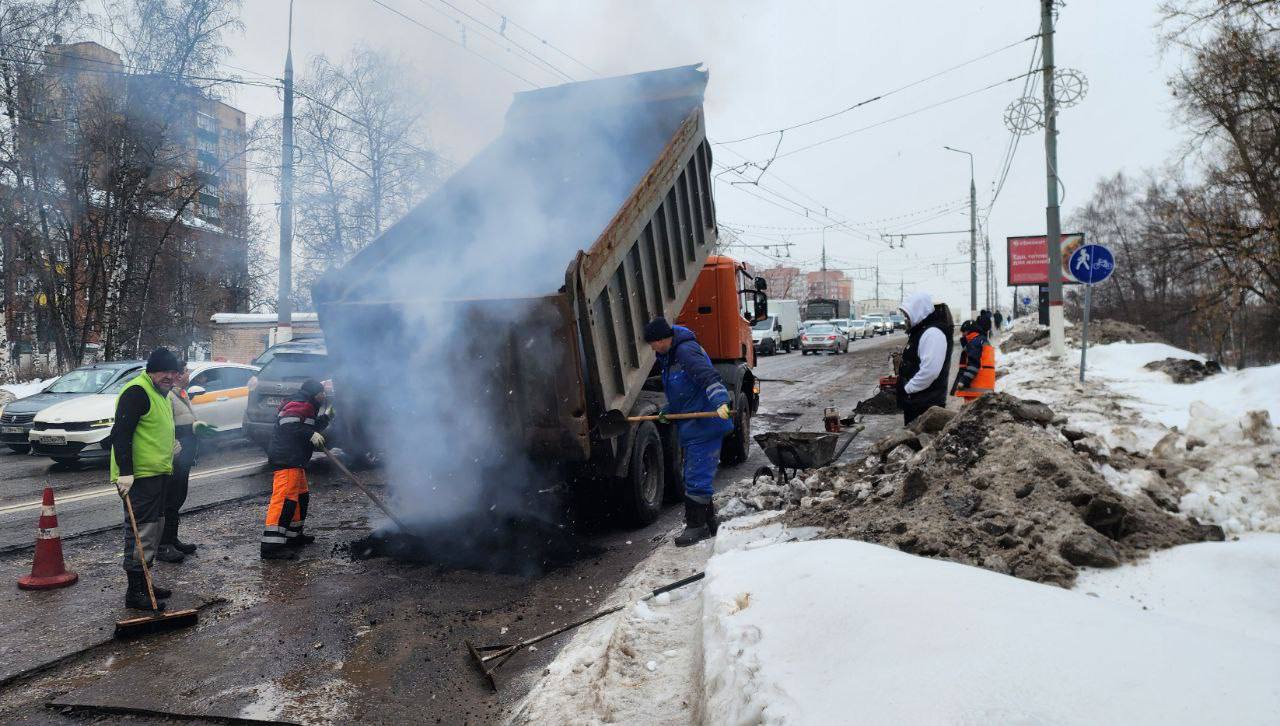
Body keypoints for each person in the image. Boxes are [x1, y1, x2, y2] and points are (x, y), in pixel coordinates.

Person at [644, 317, 733, 547]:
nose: (652, 348)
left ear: (662, 339)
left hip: (705, 423)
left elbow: (707, 376)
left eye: (653, 344)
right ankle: (709, 522)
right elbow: (684, 391)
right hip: (693, 423)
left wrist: (721, 401)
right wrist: (669, 410)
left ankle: (697, 526)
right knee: (696, 473)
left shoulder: (685, 351)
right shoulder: (669, 355)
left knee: (696, 475)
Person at [111, 348, 183, 611]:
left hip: (158, 473)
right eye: (164, 371)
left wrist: (170, 446)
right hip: (139, 478)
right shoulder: (137, 391)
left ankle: (145, 584)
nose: (170, 376)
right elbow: (121, 433)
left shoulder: (161, 394)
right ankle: (135, 592)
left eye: (173, 372)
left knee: (153, 531)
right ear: (151, 370)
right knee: (140, 534)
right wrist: (125, 471)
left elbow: (153, 430)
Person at [261, 379, 330, 560]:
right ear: (315, 393)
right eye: (322, 393)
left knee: (300, 497)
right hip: (286, 459)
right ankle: (271, 546)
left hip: (296, 459)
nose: (324, 396)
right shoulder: (300, 404)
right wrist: (310, 434)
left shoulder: (308, 405)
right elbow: (288, 425)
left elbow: (308, 426)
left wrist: (327, 418)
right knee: (284, 500)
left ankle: (293, 536)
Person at [158, 370, 216, 563]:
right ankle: (164, 545)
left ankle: (172, 539)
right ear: (175, 375)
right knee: (170, 500)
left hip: (185, 454)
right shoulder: (168, 396)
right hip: (176, 453)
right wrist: (188, 430)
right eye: (183, 371)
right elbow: (166, 425)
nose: (187, 375)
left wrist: (195, 427)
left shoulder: (181, 394)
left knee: (178, 498)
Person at [895, 293, 954, 426]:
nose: (905, 319)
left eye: (907, 315)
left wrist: (908, 388)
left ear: (918, 311)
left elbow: (930, 371)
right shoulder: (922, 331)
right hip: (917, 402)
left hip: (925, 405)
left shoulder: (932, 334)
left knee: (918, 437)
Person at [952, 316, 995, 403]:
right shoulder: (982, 340)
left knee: (971, 410)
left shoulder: (974, 343)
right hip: (986, 385)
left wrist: (963, 381)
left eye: (963, 331)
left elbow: (974, 364)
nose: (962, 334)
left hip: (975, 387)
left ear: (969, 331)